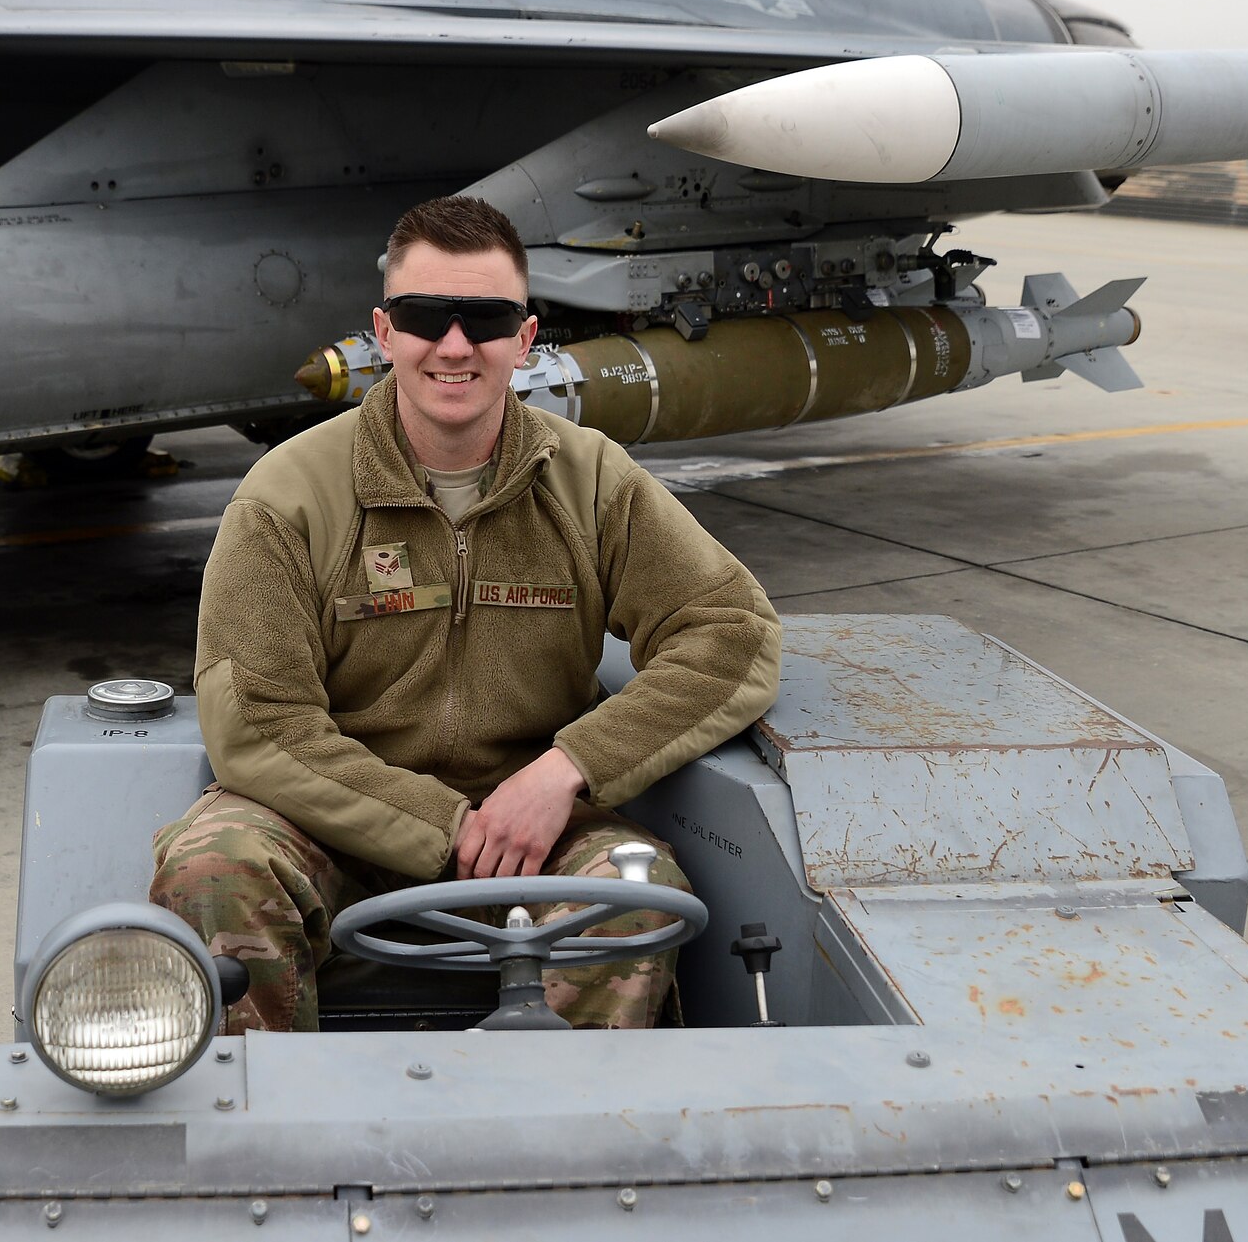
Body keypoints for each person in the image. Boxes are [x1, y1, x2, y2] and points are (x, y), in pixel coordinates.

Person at [152, 195, 780, 1032]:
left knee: (636, 891)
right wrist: (442, 826)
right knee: (214, 865)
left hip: (533, 829)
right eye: (424, 316)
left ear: (523, 340)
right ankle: (271, 1133)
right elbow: (258, 719)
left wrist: (565, 770)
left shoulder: (590, 480)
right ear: (385, 331)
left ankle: (559, 1145)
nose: (454, 345)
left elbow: (731, 631)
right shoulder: (288, 495)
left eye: (484, 318)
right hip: (327, 822)